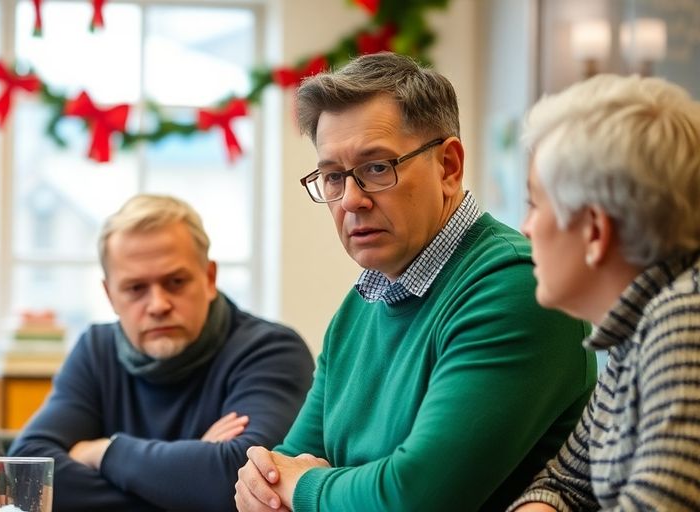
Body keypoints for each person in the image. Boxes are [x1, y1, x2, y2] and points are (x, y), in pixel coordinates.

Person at [235, 52, 598, 512]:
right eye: (332, 176)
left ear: (448, 166)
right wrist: (267, 481)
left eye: (376, 168)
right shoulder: (361, 303)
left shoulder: (517, 287)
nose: (350, 199)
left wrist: (307, 490)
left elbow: (413, 497)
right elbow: (282, 466)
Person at [8, 194, 315, 511]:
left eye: (176, 282)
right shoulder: (97, 350)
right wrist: (189, 478)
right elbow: (26, 473)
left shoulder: (271, 350)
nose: (158, 305)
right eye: (135, 288)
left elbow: (243, 481)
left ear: (209, 279)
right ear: (110, 295)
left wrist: (102, 452)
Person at [508, 76, 700, 511]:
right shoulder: (637, 327)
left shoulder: (683, 320)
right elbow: (565, 483)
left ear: (595, 229)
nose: (526, 227)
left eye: (535, 204)